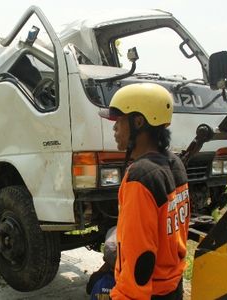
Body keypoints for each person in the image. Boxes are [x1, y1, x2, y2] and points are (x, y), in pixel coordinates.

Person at [99, 83, 190, 299]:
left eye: (119, 121)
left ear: (138, 122)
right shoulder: (174, 163)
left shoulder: (140, 177)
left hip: (147, 293)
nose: (114, 129)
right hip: (172, 285)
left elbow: (140, 255)